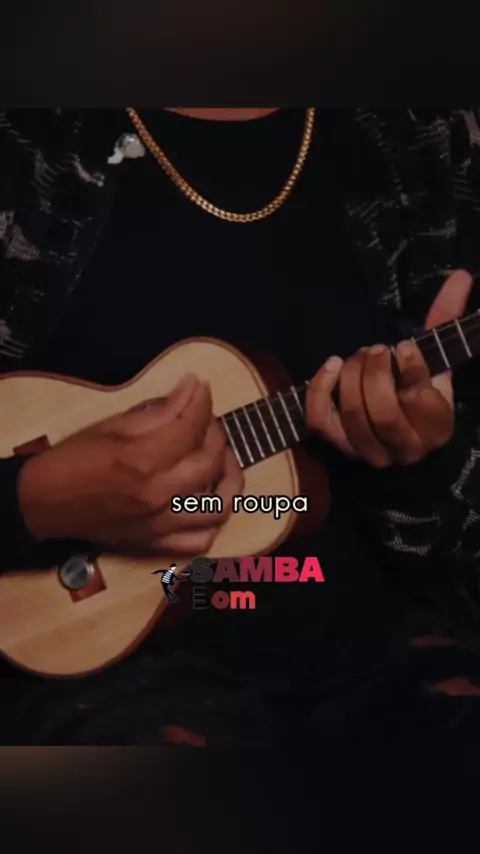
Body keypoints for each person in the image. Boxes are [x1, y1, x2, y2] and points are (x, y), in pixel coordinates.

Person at [1, 106, 480, 746]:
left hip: (380, 660)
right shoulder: (24, 144)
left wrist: (416, 461)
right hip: (94, 688)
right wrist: (34, 502)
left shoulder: (428, 138)